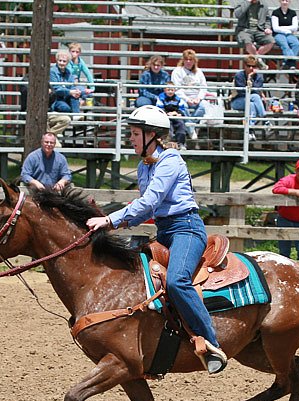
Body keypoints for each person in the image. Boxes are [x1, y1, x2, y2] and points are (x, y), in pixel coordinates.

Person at [85, 106, 228, 375]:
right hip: (165, 231)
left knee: (176, 281)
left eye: (135, 133)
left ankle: (211, 343)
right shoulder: (144, 167)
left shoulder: (171, 160)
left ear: (152, 135)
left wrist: (111, 220)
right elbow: (148, 209)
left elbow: (150, 201)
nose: (130, 138)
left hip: (186, 229)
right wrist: (116, 221)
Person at [18, 72, 71, 144]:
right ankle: (49, 139)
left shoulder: (44, 80)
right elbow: (29, 94)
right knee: (57, 146)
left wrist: (49, 93)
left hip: (47, 112)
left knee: (66, 119)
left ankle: (49, 135)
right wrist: (43, 92)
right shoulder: (26, 81)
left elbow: (53, 95)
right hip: (31, 113)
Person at [171, 49, 209, 139]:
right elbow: (176, 88)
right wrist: (187, 99)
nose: (188, 62)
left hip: (196, 98)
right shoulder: (177, 71)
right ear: (183, 60)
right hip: (182, 98)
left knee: (204, 106)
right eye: (186, 59)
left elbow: (204, 87)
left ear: (194, 61)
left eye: (190, 60)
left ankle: (190, 126)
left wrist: (198, 98)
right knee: (182, 106)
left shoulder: (199, 72)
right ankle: (192, 130)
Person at [230, 55, 267, 133]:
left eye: (253, 66)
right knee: (255, 97)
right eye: (248, 66)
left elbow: (257, 90)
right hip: (237, 101)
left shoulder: (258, 77)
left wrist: (251, 88)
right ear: (244, 66)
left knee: (251, 105)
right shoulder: (239, 75)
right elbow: (242, 92)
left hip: (250, 101)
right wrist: (249, 78)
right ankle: (264, 119)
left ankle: (250, 130)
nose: (251, 68)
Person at [234, 0, 275, 67]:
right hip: (244, 30)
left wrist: (267, 28)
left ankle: (257, 58)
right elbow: (237, 15)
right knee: (247, 41)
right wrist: (248, 2)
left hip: (259, 30)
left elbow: (267, 19)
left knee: (271, 40)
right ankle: (259, 60)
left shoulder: (264, 5)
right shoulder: (242, 3)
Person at [155, 83, 189, 149]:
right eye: (168, 90)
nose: (170, 91)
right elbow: (159, 108)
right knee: (168, 126)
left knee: (181, 124)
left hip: (175, 116)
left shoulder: (178, 98)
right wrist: (167, 113)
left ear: (175, 90)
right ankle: (167, 143)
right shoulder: (161, 97)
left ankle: (181, 143)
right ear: (164, 90)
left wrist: (177, 113)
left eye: (172, 90)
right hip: (165, 116)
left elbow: (182, 109)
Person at [49, 50, 83, 114]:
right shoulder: (52, 72)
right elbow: (56, 89)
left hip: (67, 97)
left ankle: (76, 116)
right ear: (56, 60)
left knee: (75, 95)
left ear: (67, 62)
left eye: (64, 61)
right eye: (60, 60)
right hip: (56, 99)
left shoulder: (68, 72)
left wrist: (76, 91)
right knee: (65, 108)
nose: (61, 63)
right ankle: (74, 117)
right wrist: (70, 92)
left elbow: (72, 85)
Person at [271, 0, 299, 70]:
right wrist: (288, 29)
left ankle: (286, 63)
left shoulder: (293, 13)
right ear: (280, 1)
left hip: (289, 34)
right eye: (283, 0)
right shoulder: (275, 12)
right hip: (278, 34)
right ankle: (292, 63)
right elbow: (275, 28)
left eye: (286, 0)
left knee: (296, 44)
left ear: (289, 2)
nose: (284, 2)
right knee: (284, 44)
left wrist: (282, 28)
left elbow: (295, 27)